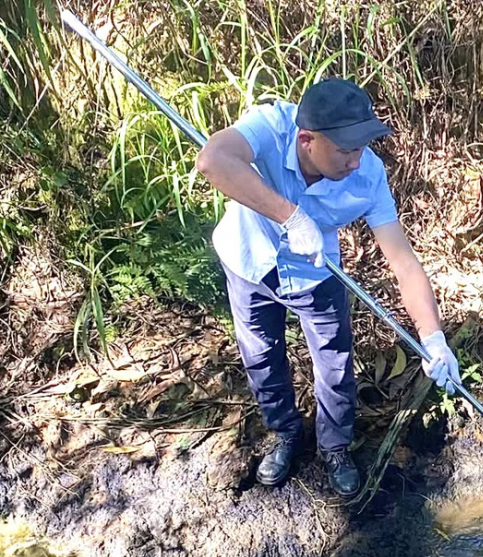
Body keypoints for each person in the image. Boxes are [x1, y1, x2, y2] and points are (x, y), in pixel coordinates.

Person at [196, 78, 461, 496]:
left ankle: (335, 447)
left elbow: (404, 262)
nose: (356, 161)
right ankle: (286, 433)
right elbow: (212, 160)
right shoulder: (274, 126)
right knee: (261, 357)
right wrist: (290, 216)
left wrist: (433, 338)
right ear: (307, 140)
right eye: (345, 150)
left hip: (316, 272)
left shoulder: (368, 176)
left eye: (361, 148)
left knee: (334, 364)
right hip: (249, 259)